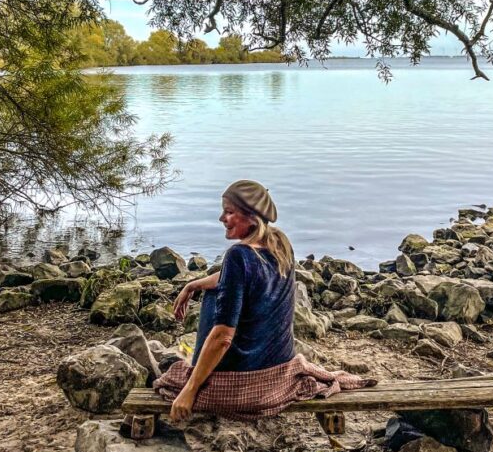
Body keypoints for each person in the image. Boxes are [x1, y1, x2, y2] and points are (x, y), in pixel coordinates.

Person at [153, 180, 374, 422]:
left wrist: (190, 390)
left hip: (244, 384)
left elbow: (223, 338)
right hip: (278, 373)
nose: (221, 219)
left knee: (174, 373)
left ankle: (199, 374)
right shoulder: (280, 244)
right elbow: (239, 278)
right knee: (216, 290)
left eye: (229, 212)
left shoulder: (238, 255)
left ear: (251, 217)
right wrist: (193, 284)